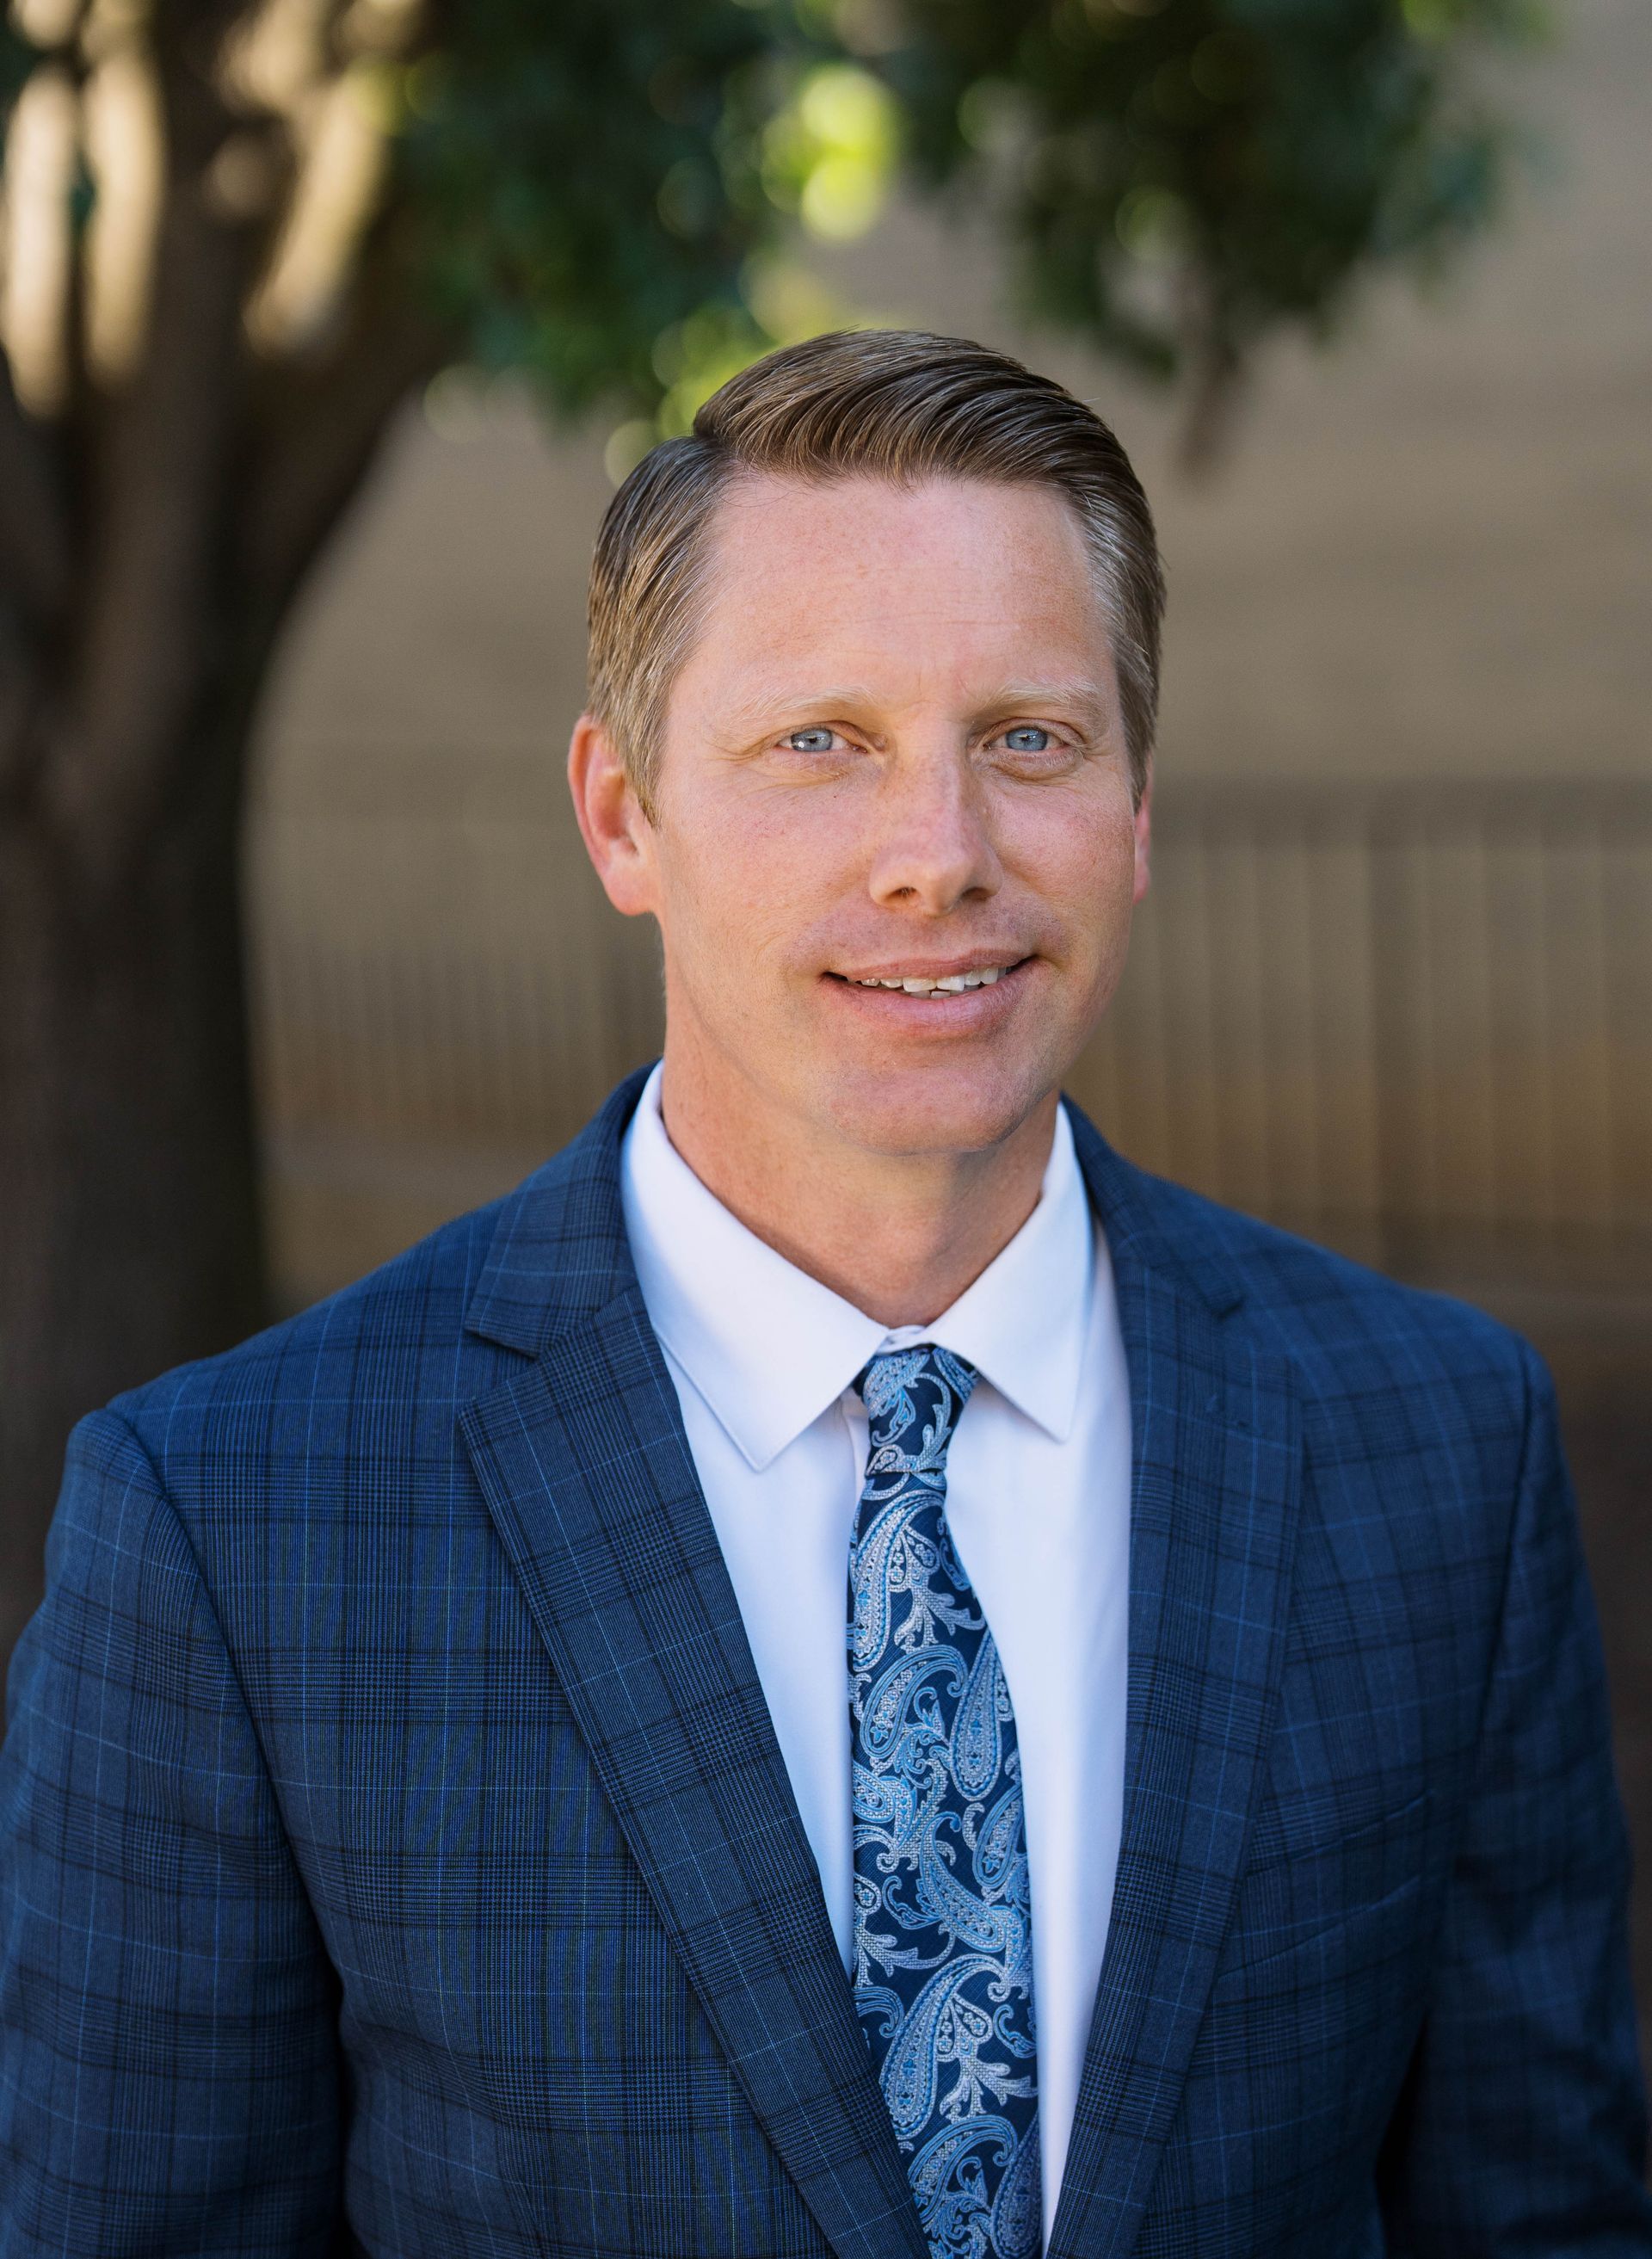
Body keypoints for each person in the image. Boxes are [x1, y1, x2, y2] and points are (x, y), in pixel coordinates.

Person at [1, 329, 1646, 2259]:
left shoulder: (1435, 1445)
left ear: (1135, 812)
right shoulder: (236, 1526)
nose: (938, 857)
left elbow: (1541, 2215)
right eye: (821, 743)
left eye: (1028, 738)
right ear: (624, 814)